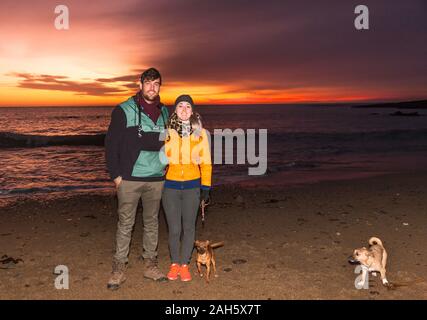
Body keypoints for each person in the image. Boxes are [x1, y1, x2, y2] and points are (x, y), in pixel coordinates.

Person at [105, 67, 169, 290]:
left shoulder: (165, 112)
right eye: (148, 83)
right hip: (129, 179)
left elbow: (168, 143)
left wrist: (168, 167)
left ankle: (150, 265)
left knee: (152, 223)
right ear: (140, 84)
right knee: (126, 224)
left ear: (160, 86)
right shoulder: (123, 110)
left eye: (156, 83)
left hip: (157, 178)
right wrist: (116, 176)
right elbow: (111, 144)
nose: (152, 87)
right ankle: (118, 268)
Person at [162, 94, 212, 282]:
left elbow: (206, 162)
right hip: (170, 187)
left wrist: (206, 187)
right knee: (174, 229)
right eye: (180, 106)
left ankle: (185, 264)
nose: (184, 109)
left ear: (192, 111)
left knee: (189, 227)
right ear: (175, 110)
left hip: (192, 186)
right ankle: (174, 263)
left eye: (187, 107)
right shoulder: (167, 132)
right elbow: (160, 158)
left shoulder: (201, 134)